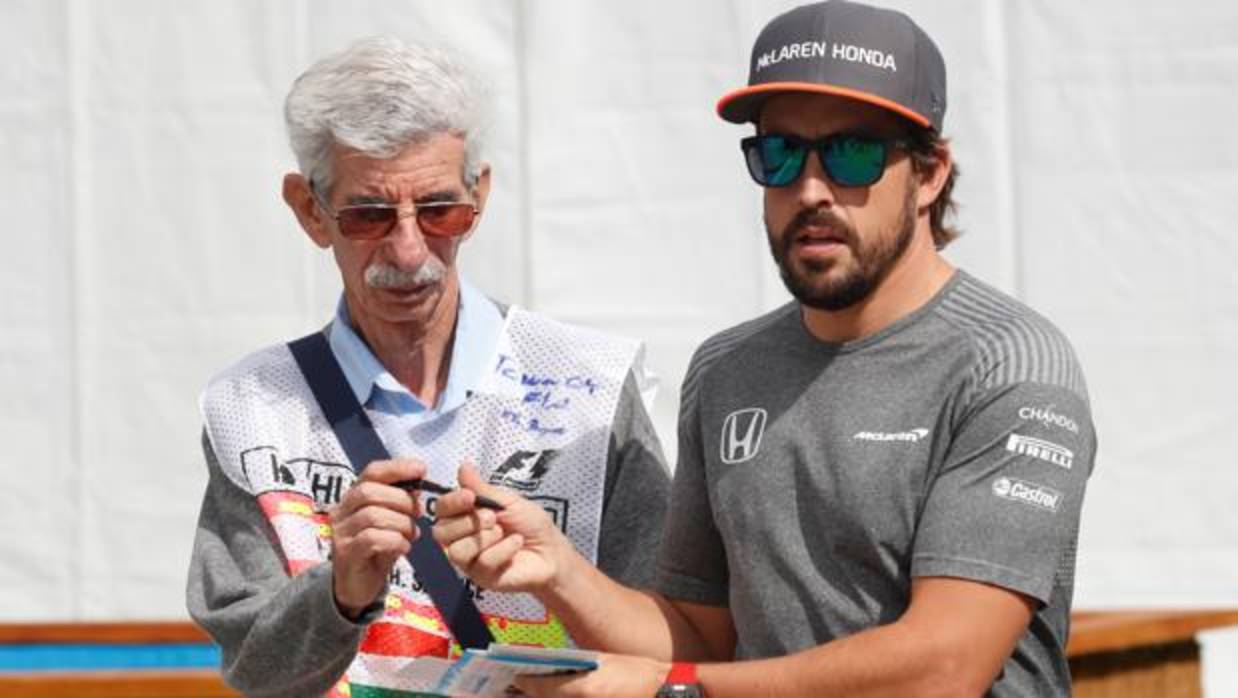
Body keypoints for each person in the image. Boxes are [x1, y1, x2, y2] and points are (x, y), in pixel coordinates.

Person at [433, 2, 1097, 696]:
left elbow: (944, 668)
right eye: (779, 154)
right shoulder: (726, 370)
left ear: (930, 174)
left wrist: (668, 688)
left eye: (852, 153)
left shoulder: (1010, 368)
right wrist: (559, 570)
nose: (810, 190)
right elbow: (700, 636)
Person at [185, 36, 670, 698]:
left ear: (481, 196)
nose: (410, 251)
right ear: (310, 211)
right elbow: (256, 673)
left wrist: (558, 574)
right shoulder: (253, 409)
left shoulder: (592, 388)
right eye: (369, 216)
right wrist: (340, 592)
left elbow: (672, 643)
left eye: (440, 211)